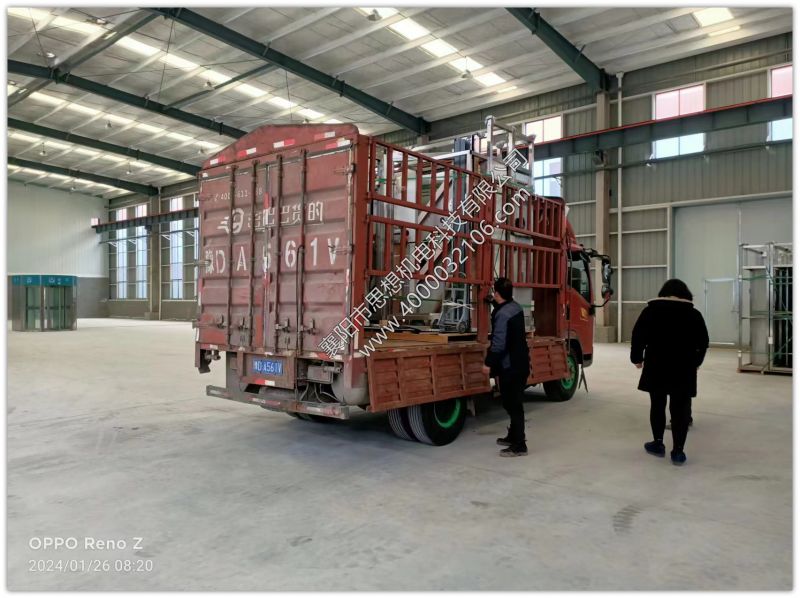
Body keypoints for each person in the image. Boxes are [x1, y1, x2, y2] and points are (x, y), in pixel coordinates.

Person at [630, 279, 709, 466]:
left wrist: (637, 358)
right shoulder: (694, 314)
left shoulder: (650, 311)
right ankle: (678, 451)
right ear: (686, 294)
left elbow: (638, 335)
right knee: (680, 408)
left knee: (657, 404)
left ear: (663, 293)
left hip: (656, 364)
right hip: (684, 367)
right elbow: (703, 342)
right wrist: (696, 362)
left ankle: (658, 443)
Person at [481, 277, 531, 457]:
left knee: (513, 404)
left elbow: (499, 344)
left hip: (512, 366)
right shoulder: (515, 307)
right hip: (520, 363)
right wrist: (493, 302)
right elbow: (504, 309)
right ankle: (513, 435)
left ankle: (519, 445)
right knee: (510, 402)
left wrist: (488, 363)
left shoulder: (502, 314)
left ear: (497, 293)